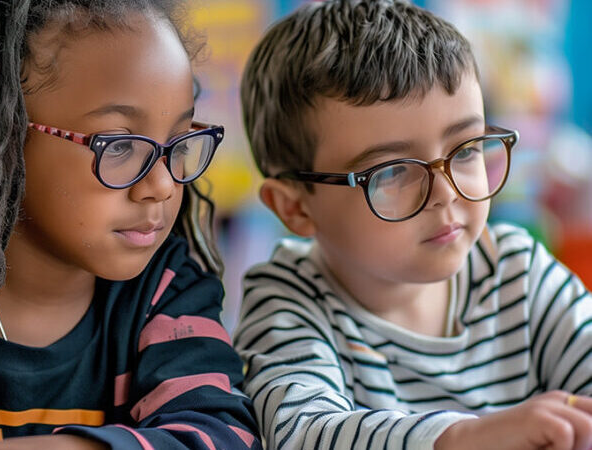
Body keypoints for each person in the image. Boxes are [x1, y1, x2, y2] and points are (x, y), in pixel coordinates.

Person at [233, 0, 592, 449]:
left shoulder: (518, 271)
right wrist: (466, 438)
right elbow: (303, 434)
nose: (445, 192)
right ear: (296, 209)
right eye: (393, 171)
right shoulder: (288, 304)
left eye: (465, 151)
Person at [0, 1, 261, 449]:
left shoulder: (164, 289)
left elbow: (221, 435)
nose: (162, 185)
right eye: (120, 145)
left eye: (179, 143)